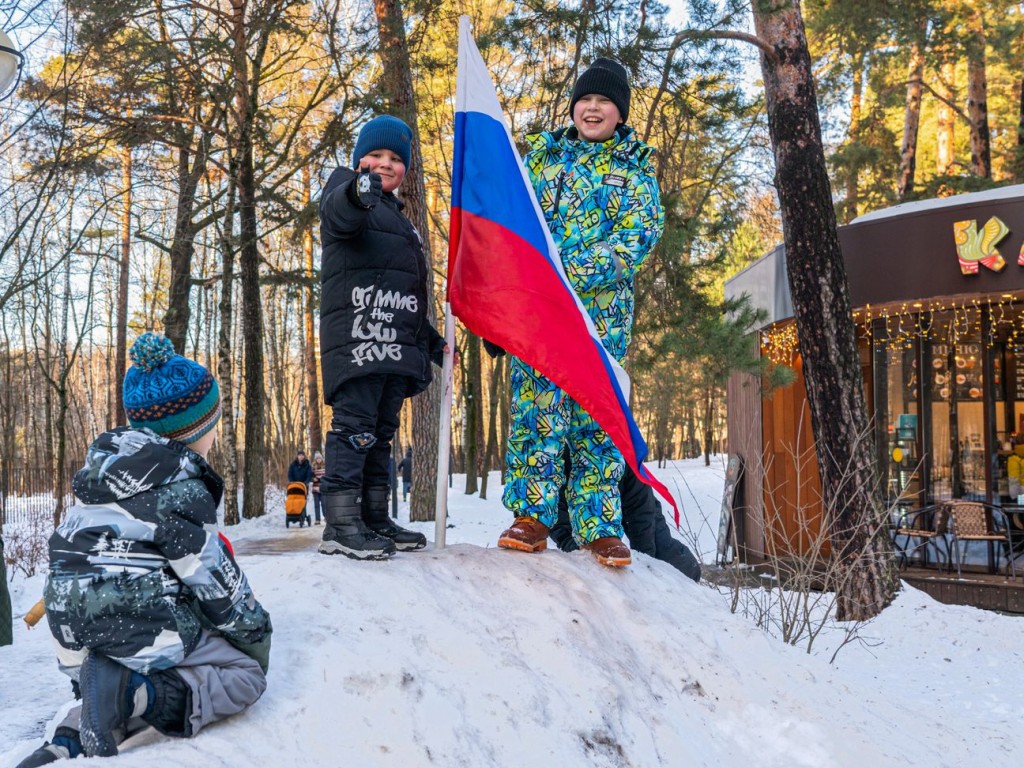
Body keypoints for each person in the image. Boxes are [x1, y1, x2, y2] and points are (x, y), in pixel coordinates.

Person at [16, 333, 271, 766]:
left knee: (115, 678)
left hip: (71, 634)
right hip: (134, 623)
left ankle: (68, 739)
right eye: (213, 424)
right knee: (244, 677)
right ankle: (138, 694)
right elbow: (215, 582)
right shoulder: (180, 487)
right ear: (197, 430)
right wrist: (255, 635)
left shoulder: (101, 477)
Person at [496, 58, 664, 568]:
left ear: (620, 113)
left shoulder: (635, 174)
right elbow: (515, 231)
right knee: (537, 412)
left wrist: (566, 272)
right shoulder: (542, 165)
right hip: (541, 318)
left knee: (597, 418)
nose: (592, 108)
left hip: (600, 322)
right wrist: (511, 298)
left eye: (604, 102)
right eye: (585, 100)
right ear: (574, 108)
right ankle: (532, 516)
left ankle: (599, 526)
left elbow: (633, 241)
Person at [317, 114, 445, 559]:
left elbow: (405, 295)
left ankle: (373, 516)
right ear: (358, 161)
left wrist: (430, 343)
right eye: (375, 155)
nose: (385, 164)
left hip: (395, 343)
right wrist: (358, 192)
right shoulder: (346, 192)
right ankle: (341, 522)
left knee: (381, 434)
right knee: (355, 428)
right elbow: (340, 212)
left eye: (395, 159)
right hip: (357, 339)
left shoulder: (401, 221)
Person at [550, 458, 701, 582]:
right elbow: (556, 509)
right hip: (578, 508)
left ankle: (694, 588)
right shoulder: (557, 455)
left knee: (663, 550)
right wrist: (575, 550)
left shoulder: (623, 452)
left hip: (632, 503)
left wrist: (646, 562)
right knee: (586, 558)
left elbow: (642, 512)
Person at [310, 451, 326, 524]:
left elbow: (326, 477)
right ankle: (317, 520)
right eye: (317, 459)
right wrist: (312, 479)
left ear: (321, 459)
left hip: (323, 488)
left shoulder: (325, 467)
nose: (318, 460)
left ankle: (326, 517)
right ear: (315, 460)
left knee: (324, 504)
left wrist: (319, 479)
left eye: (319, 458)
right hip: (315, 488)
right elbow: (310, 477)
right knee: (316, 505)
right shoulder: (313, 468)